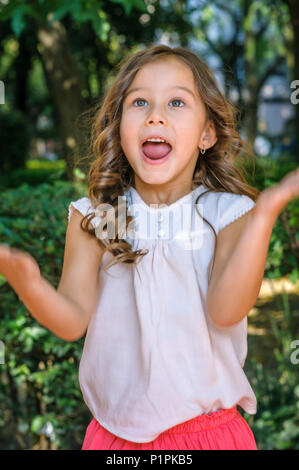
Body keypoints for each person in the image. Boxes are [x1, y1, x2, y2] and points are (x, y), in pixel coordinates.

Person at [0, 45, 298, 451]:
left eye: (177, 102)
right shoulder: (100, 216)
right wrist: (29, 282)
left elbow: (227, 309)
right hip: (113, 440)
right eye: (139, 101)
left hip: (210, 437)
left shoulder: (226, 213)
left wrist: (265, 214)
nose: (155, 114)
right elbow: (71, 321)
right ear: (120, 126)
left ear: (207, 133)